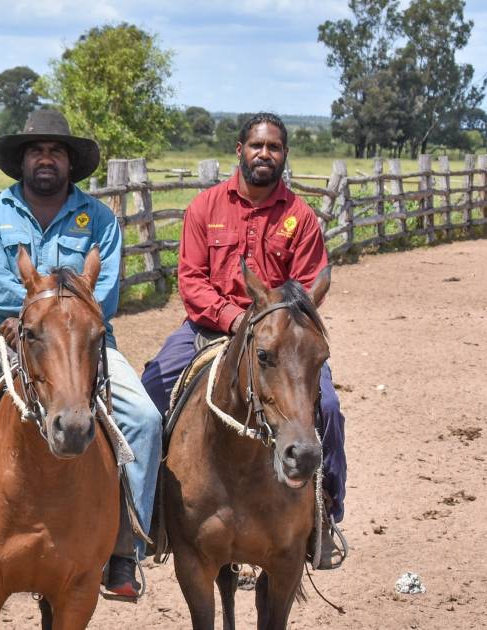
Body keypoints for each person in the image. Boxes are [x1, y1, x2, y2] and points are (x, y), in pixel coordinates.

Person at [0, 109, 162, 600]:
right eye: (37, 151)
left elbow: (102, 298)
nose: (46, 159)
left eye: (56, 151)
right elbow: (0, 293)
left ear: (69, 163)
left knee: (145, 418)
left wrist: (60, 315)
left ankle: (125, 549)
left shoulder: (99, 219)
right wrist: (39, 313)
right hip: (4, 333)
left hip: (85, 341)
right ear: (22, 162)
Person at [139, 112, 347, 568]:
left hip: (282, 340)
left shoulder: (300, 218)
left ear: (284, 156)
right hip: (210, 327)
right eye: (257, 146)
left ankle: (327, 513)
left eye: (274, 147)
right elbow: (192, 281)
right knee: (148, 395)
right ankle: (146, 512)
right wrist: (235, 319)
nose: (264, 154)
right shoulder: (205, 208)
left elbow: (311, 289)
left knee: (327, 408)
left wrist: (274, 328)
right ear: (240, 150)